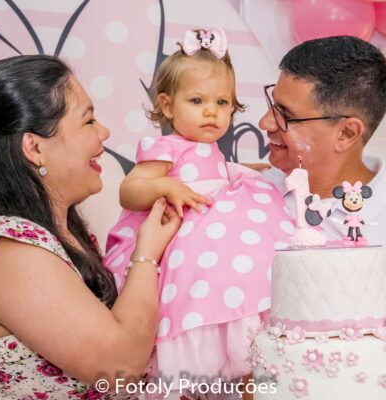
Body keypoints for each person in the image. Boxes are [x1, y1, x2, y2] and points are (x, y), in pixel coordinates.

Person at [104, 28, 292, 399]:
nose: (211, 111)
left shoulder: (212, 149)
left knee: (244, 264)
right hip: (182, 241)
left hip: (211, 240)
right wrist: (166, 186)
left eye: (222, 102)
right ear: (167, 105)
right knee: (196, 292)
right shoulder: (165, 147)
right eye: (197, 100)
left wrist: (240, 171)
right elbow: (130, 190)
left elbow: (212, 176)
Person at [0, 55, 181, 399]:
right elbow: (118, 367)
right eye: (88, 120)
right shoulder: (12, 250)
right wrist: (146, 255)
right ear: (34, 147)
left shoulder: (64, 234)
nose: (103, 132)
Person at [259, 35, 386, 245]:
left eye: (287, 115)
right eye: (273, 105)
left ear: (347, 133)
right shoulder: (248, 188)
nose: (265, 123)